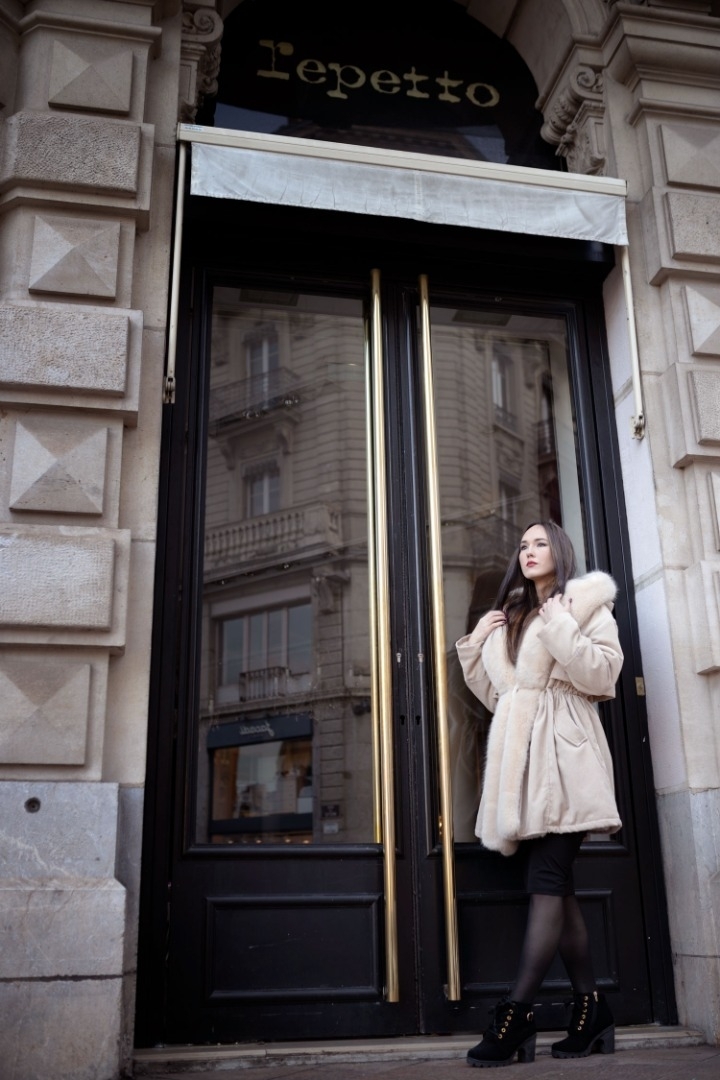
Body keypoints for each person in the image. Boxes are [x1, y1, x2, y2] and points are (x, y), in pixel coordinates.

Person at [455, 521, 623, 1068]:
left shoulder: (583, 604)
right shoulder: (513, 612)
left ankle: (516, 1013)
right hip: (524, 768)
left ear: (560, 550)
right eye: (523, 545)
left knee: (547, 879)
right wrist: (479, 643)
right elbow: (500, 695)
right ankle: (591, 1011)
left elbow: (603, 676)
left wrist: (561, 628)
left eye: (540, 542)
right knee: (559, 888)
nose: (528, 551)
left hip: (567, 761)